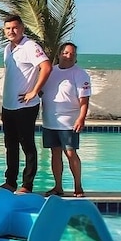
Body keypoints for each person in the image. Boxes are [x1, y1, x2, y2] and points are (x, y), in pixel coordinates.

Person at [0, 14, 51, 194]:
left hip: (25, 106)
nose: (11, 31)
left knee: (27, 145)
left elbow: (46, 66)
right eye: (8, 28)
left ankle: (27, 184)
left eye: (15, 28)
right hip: (8, 105)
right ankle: (10, 182)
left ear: (22, 28)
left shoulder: (30, 46)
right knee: (10, 145)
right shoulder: (7, 49)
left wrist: (34, 91)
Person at [41, 42, 91, 197]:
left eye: (72, 54)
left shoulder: (80, 74)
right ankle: (58, 187)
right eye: (66, 53)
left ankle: (78, 186)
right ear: (59, 54)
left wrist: (81, 118)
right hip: (50, 121)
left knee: (70, 152)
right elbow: (40, 91)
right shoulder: (50, 71)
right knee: (55, 153)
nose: (69, 56)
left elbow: (84, 100)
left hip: (69, 122)